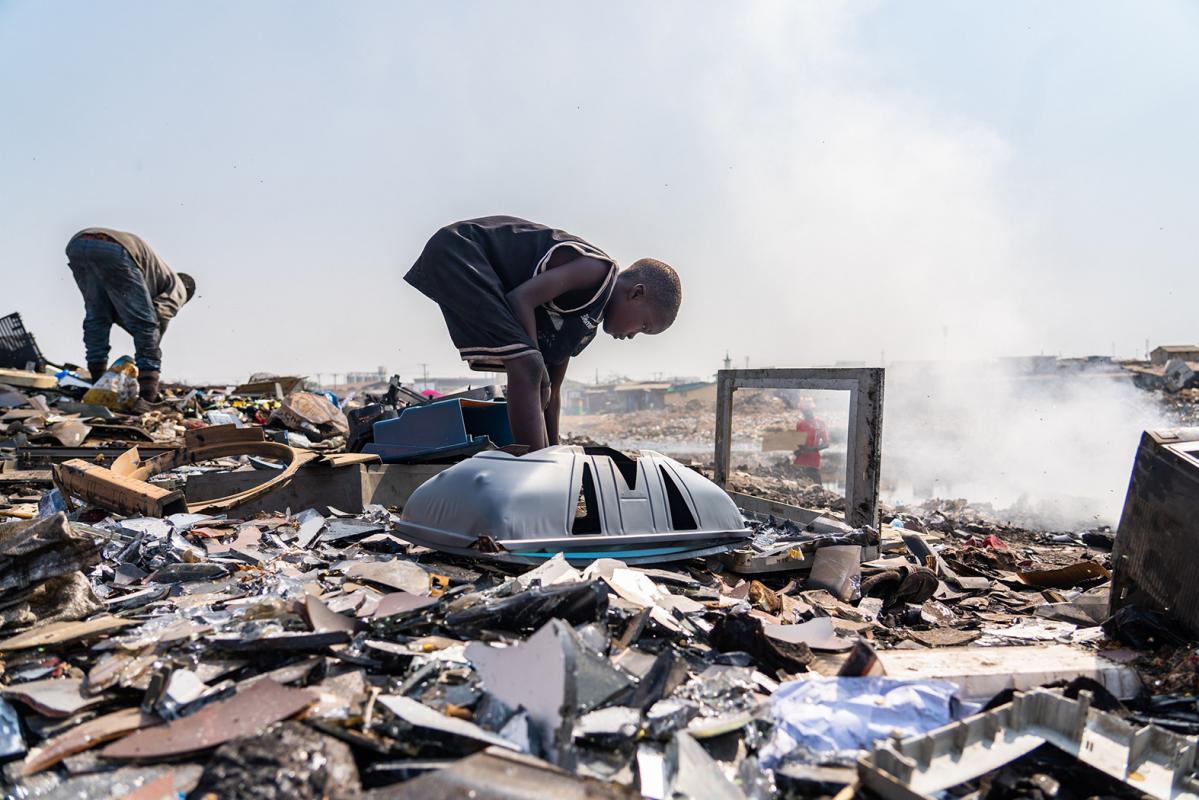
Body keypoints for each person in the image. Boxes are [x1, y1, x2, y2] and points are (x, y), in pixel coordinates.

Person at [406, 216, 681, 450]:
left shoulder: (582, 328)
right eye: (644, 326)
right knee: (527, 365)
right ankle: (534, 468)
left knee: (536, 372)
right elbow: (521, 300)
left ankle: (541, 463)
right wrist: (537, 369)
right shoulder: (596, 270)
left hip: (479, 272)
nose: (633, 336)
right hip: (461, 252)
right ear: (636, 293)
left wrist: (555, 451)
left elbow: (553, 392)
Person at [66, 228, 195, 401]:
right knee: (146, 326)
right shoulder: (179, 288)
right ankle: (148, 398)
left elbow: (120, 315)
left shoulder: (152, 278)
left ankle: (98, 387)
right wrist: (150, 356)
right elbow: (154, 319)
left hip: (78, 245)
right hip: (116, 249)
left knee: (97, 317)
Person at [792, 396, 829, 485]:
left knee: (817, 487)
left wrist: (813, 449)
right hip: (800, 461)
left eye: (807, 409)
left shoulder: (820, 423)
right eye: (804, 410)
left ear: (812, 409)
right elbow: (797, 443)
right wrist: (796, 450)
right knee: (798, 488)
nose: (806, 412)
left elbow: (826, 444)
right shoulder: (800, 424)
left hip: (813, 461)